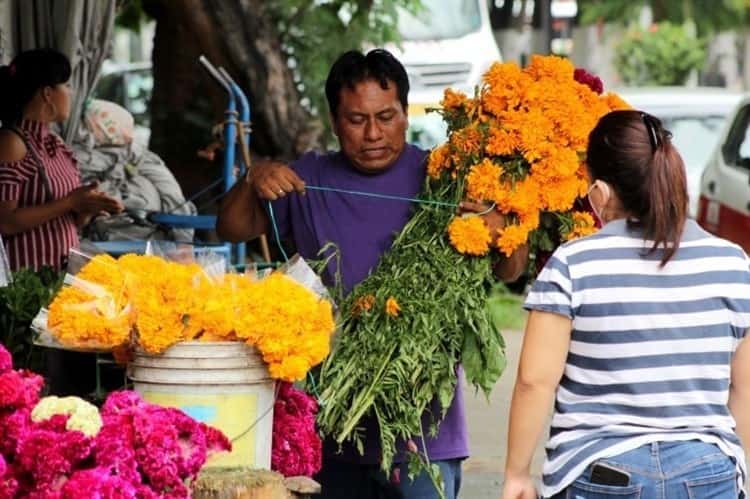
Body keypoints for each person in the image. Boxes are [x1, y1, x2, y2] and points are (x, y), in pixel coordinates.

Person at [218, 48, 525, 499]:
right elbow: (232, 227)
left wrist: (501, 230)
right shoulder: (305, 179)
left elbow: (512, 269)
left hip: (425, 432)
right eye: (357, 120)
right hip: (329, 428)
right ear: (334, 119)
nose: (374, 133)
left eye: (386, 116)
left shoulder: (444, 178)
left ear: (405, 112)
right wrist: (252, 180)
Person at [501, 110, 750, 499]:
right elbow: (744, 388)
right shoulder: (732, 263)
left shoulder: (573, 264)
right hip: (708, 471)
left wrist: (517, 474)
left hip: (602, 473)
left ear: (600, 192)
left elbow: (535, 381)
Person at [0, 48, 123, 272]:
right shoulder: (12, 142)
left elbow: (65, 220)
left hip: (60, 273)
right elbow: (6, 222)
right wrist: (69, 202)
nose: (71, 93)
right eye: (66, 86)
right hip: (28, 280)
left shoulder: (55, 143)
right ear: (48, 93)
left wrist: (86, 209)